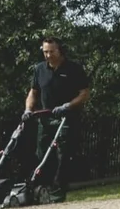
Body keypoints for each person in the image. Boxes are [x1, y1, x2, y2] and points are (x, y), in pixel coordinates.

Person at [24, 35, 91, 198]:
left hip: (67, 118)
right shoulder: (39, 69)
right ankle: (43, 190)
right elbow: (33, 92)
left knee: (64, 155)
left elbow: (84, 93)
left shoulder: (73, 69)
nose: (48, 55)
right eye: (45, 52)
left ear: (60, 50)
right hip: (46, 118)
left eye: (51, 51)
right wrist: (28, 109)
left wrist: (68, 105)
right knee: (42, 154)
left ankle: (58, 191)